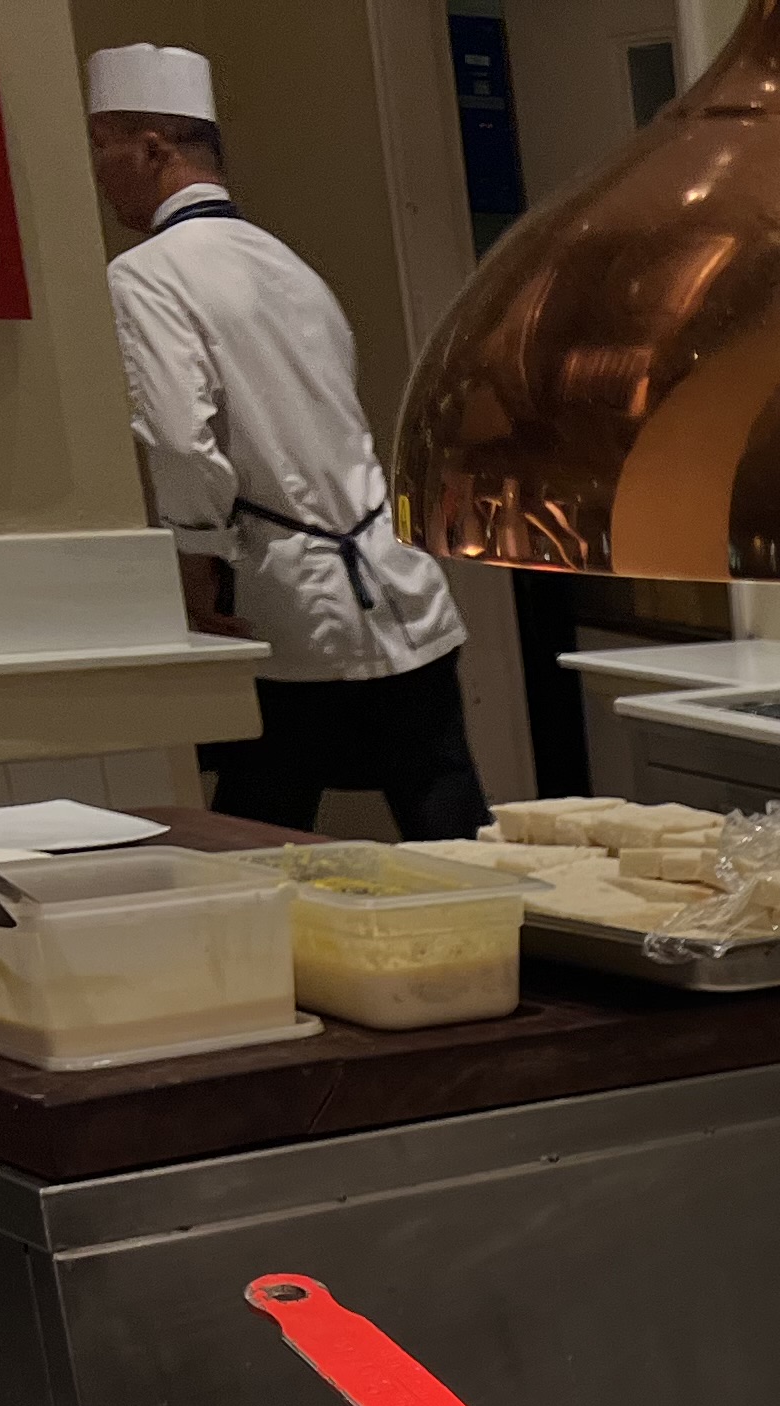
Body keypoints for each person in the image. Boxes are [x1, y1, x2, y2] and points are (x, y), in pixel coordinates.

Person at [82, 43, 486, 839]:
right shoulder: (287, 263)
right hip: (399, 583)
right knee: (449, 821)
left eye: (103, 153)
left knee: (257, 839)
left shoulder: (146, 275)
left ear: (151, 146)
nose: (101, 178)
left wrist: (194, 569)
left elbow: (178, 439)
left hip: (288, 601)